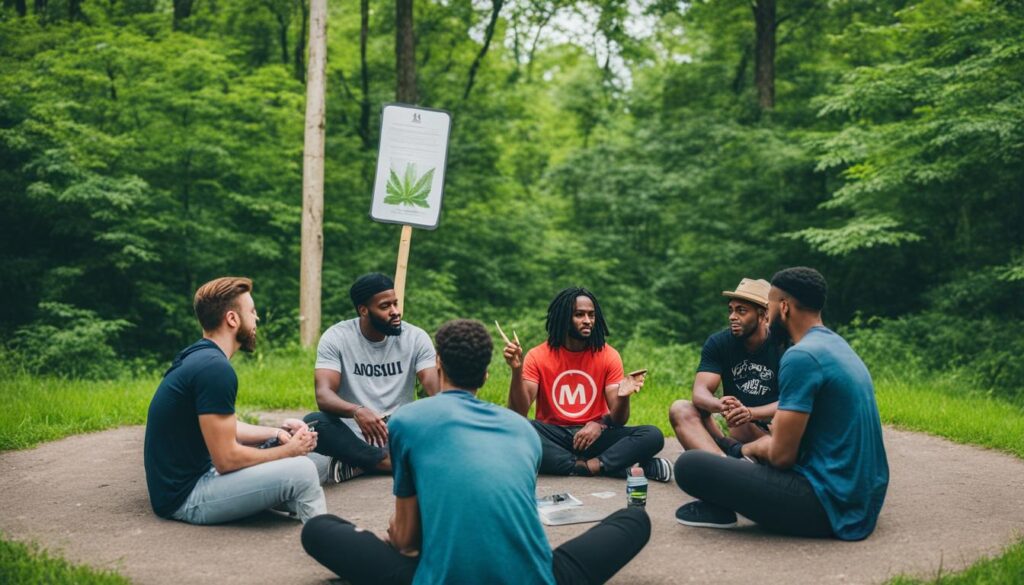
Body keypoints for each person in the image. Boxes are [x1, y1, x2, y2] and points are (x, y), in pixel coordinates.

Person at [301, 319, 651, 585]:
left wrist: (402, 536)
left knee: (319, 528)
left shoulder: (409, 421)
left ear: (438, 364)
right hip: (535, 576)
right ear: (485, 375)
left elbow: (406, 542)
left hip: (440, 577)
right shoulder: (520, 429)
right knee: (634, 519)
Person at [673, 267, 889, 541]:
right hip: (862, 498)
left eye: (771, 307)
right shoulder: (836, 345)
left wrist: (743, 452)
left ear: (783, 307)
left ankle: (723, 499)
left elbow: (781, 456)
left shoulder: (800, 357)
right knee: (734, 458)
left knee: (691, 465)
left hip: (826, 504)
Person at [143, 277, 325, 525]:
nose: (256, 319)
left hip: (193, 480)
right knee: (303, 471)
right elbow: (226, 459)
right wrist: (288, 451)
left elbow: (223, 429)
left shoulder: (199, 356)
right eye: (252, 311)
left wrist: (277, 433)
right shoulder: (215, 370)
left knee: (309, 461)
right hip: (188, 496)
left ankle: (291, 496)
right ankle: (330, 539)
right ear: (232, 319)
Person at [503, 287, 671, 481]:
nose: (587, 321)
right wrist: (516, 370)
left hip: (595, 435)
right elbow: (518, 414)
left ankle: (582, 465)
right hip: (552, 435)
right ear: (564, 317)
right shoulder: (537, 355)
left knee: (652, 434)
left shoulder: (608, 355)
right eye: (579, 315)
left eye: (591, 315)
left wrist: (622, 399)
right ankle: (612, 466)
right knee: (515, 430)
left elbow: (618, 420)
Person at [303, 273, 439, 483]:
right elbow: (323, 395)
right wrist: (357, 410)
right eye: (385, 307)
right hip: (353, 437)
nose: (395, 312)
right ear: (363, 310)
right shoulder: (336, 337)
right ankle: (390, 464)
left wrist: (446, 369)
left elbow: (435, 390)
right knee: (314, 423)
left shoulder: (416, 337)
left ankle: (360, 464)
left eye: (395, 303)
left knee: (432, 420)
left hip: (399, 433)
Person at [668, 278, 784, 456]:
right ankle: (724, 464)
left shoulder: (785, 347)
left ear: (763, 315)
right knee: (680, 409)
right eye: (730, 310)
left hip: (770, 434)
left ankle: (731, 466)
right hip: (732, 431)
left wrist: (750, 413)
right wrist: (719, 404)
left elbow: (794, 401)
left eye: (741, 311)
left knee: (763, 429)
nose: (732, 316)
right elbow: (700, 392)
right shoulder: (719, 342)